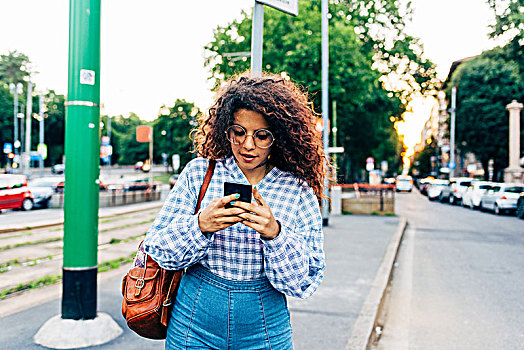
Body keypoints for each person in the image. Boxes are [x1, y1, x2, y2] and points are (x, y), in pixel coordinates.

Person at [141, 73, 329, 349]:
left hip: (264, 331)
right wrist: (200, 226)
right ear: (225, 130)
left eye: (261, 135)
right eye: (238, 132)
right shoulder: (200, 173)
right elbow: (158, 250)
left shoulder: (297, 189)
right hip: (193, 325)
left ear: (279, 137)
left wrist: (275, 235)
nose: (248, 145)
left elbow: (304, 282)